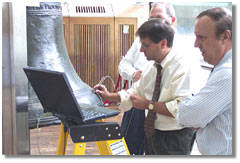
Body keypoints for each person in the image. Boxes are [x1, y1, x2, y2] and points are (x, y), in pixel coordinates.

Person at [94, 18, 197, 155]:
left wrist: (148, 105)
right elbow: (136, 91)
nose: (141, 50)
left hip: (175, 135)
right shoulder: (152, 65)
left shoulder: (182, 66)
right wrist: (110, 96)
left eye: (146, 45)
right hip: (153, 131)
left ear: (163, 43)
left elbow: (181, 107)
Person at [118, 2, 177, 155]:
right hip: (136, 101)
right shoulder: (140, 41)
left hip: (162, 111)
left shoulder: (180, 50)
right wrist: (133, 74)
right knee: (128, 145)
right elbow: (123, 64)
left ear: (172, 20)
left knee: (154, 150)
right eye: (151, 19)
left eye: (159, 18)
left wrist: (150, 105)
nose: (155, 23)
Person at [177, 7, 232, 155]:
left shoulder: (228, 73)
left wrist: (191, 104)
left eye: (202, 37)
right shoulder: (222, 67)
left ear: (225, 36)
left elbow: (188, 116)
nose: (196, 44)